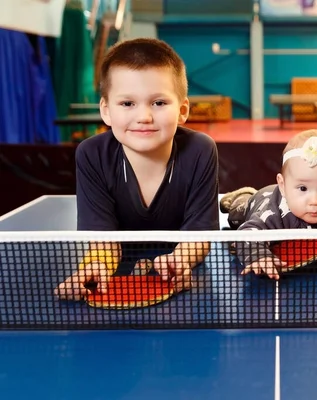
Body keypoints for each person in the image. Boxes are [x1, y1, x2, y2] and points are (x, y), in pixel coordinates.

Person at [55, 38, 219, 300]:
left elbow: (199, 234)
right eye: (127, 103)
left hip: (178, 265)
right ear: (106, 111)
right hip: (120, 266)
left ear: (183, 110)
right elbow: (102, 236)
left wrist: (179, 260)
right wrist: (97, 265)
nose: (144, 116)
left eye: (159, 103)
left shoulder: (200, 150)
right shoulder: (92, 155)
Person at [220, 129, 317, 280]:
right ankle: (242, 197)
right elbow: (245, 235)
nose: (315, 201)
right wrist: (258, 256)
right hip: (260, 200)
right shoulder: (273, 213)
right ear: (282, 185)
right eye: (303, 188)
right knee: (236, 216)